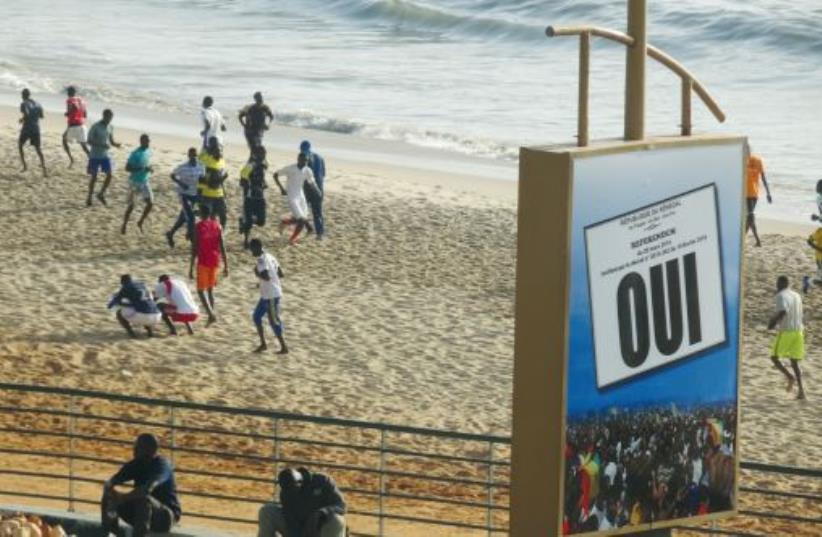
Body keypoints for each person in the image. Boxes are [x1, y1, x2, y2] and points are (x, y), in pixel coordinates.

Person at [101, 433, 181, 537]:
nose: (134, 450)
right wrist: (110, 489)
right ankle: (111, 533)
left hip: (164, 517)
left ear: (148, 450)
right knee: (108, 497)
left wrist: (123, 497)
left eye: (137, 447)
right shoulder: (136, 464)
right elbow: (113, 480)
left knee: (143, 499)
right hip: (140, 513)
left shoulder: (162, 465)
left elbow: (146, 490)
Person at [257, 468, 346, 537]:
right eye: (286, 490)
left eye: (292, 489)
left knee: (337, 520)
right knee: (267, 511)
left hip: (322, 529)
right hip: (300, 530)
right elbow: (290, 521)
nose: (290, 493)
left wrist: (322, 512)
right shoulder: (286, 493)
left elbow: (341, 505)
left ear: (300, 482)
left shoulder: (322, 481)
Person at [767, 275, 806, 400]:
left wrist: (772, 323)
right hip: (799, 331)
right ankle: (801, 391)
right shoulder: (797, 295)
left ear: (780, 284)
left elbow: (783, 311)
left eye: (777, 284)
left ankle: (790, 377)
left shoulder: (780, 295)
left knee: (774, 357)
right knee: (794, 361)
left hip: (787, 331)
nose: (776, 286)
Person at [189, 204, 228, 326]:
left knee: (201, 291)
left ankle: (211, 315)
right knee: (210, 290)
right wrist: (227, 265)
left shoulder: (198, 226)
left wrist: (190, 266)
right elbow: (222, 246)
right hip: (215, 260)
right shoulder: (217, 225)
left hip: (204, 261)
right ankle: (211, 314)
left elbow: (195, 247)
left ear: (201, 213)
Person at [249, 239, 288, 354]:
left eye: (252, 249)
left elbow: (265, 276)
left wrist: (257, 273)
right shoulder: (271, 256)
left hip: (271, 295)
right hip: (268, 294)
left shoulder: (261, 260)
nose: (251, 252)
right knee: (256, 317)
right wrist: (262, 283)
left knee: (273, 320)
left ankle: (284, 347)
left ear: (257, 247)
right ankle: (263, 344)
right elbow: (281, 274)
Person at [166, 147, 204, 248]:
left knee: (183, 218)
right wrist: (181, 183)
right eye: (192, 155)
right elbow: (172, 175)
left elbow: (202, 181)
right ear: (188, 156)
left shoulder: (201, 167)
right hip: (184, 195)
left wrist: (201, 194)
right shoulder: (182, 167)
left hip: (194, 195)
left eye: (195, 155)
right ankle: (193, 241)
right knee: (191, 217)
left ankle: (170, 233)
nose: (194, 157)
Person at [273, 153, 315, 245]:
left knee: (302, 218)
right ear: (298, 159)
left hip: (301, 196)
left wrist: (317, 191)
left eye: (306, 160)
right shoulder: (290, 168)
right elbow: (275, 175)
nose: (305, 162)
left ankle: (284, 222)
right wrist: (281, 189)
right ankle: (292, 239)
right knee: (301, 220)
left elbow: (311, 183)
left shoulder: (308, 170)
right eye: (303, 160)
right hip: (292, 197)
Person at [87, 109, 122, 206]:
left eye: (111, 118)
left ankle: (101, 193)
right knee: (94, 177)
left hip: (105, 155)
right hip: (94, 155)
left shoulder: (111, 127)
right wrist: (101, 144)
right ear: (103, 116)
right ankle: (89, 197)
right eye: (108, 117)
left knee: (110, 175)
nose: (109, 119)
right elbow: (89, 141)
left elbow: (111, 141)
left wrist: (116, 144)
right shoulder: (96, 126)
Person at [122, 134, 154, 234]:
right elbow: (127, 168)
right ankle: (124, 225)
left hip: (145, 181)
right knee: (132, 206)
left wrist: (150, 169)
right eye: (147, 141)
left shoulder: (148, 151)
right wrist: (141, 169)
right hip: (134, 182)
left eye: (149, 141)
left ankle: (140, 222)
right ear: (141, 141)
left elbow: (146, 164)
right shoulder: (135, 154)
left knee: (150, 203)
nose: (148, 143)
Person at [240, 146, 269, 249]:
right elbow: (243, 174)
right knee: (249, 221)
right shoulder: (252, 164)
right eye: (261, 153)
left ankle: (245, 222)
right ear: (256, 154)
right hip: (250, 196)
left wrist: (264, 183)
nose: (263, 155)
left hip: (261, 196)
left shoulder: (265, 164)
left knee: (262, 221)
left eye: (264, 153)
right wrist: (248, 184)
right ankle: (246, 240)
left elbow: (262, 177)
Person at [199, 137, 229, 229]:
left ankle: (221, 232)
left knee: (223, 214)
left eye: (220, 150)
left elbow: (221, 177)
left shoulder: (222, 161)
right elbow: (204, 180)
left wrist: (224, 190)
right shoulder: (206, 161)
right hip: (208, 194)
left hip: (219, 194)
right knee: (209, 217)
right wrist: (200, 192)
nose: (219, 152)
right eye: (217, 150)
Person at [745, 150, 772, 247]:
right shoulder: (742, 160)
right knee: (749, 216)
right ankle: (749, 240)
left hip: (752, 194)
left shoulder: (757, 160)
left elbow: (763, 177)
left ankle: (758, 241)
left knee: (750, 216)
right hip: (746, 193)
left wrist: (768, 193)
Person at [17, 88, 47, 176]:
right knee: (38, 149)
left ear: (22, 95)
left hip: (27, 129)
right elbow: (42, 116)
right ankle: (44, 169)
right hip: (36, 128)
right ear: (29, 95)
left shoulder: (23, 103)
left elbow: (26, 113)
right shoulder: (38, 104)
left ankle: (25, 166)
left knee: (20, 145)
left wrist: (22, 119)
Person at [300, 140, 326, 239]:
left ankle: (307, 228)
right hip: (319, 188)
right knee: (318, 212)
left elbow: (304, 175)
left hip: (308, 189)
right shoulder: (320, 158)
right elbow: (323, 174)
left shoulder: (305, 159)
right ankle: (320, 234)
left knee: (302, 210)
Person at [62, 85, 89, 166]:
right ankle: (92, 159)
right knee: (84, 146)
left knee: (64, 140)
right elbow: (85, 114)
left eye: (68, 92)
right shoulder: (81, 100)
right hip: (82, 125)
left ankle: (71, 159)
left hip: (73, 125)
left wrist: (67, 113)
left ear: (69, 92)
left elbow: (69, 111)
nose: (67, 93)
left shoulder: (69, 100)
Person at [804, 221, 822, 293]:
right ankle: (807, 281)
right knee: (820, 280)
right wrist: (819, 249)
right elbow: (809, 241)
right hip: (820, 258)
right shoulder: (820, 231)